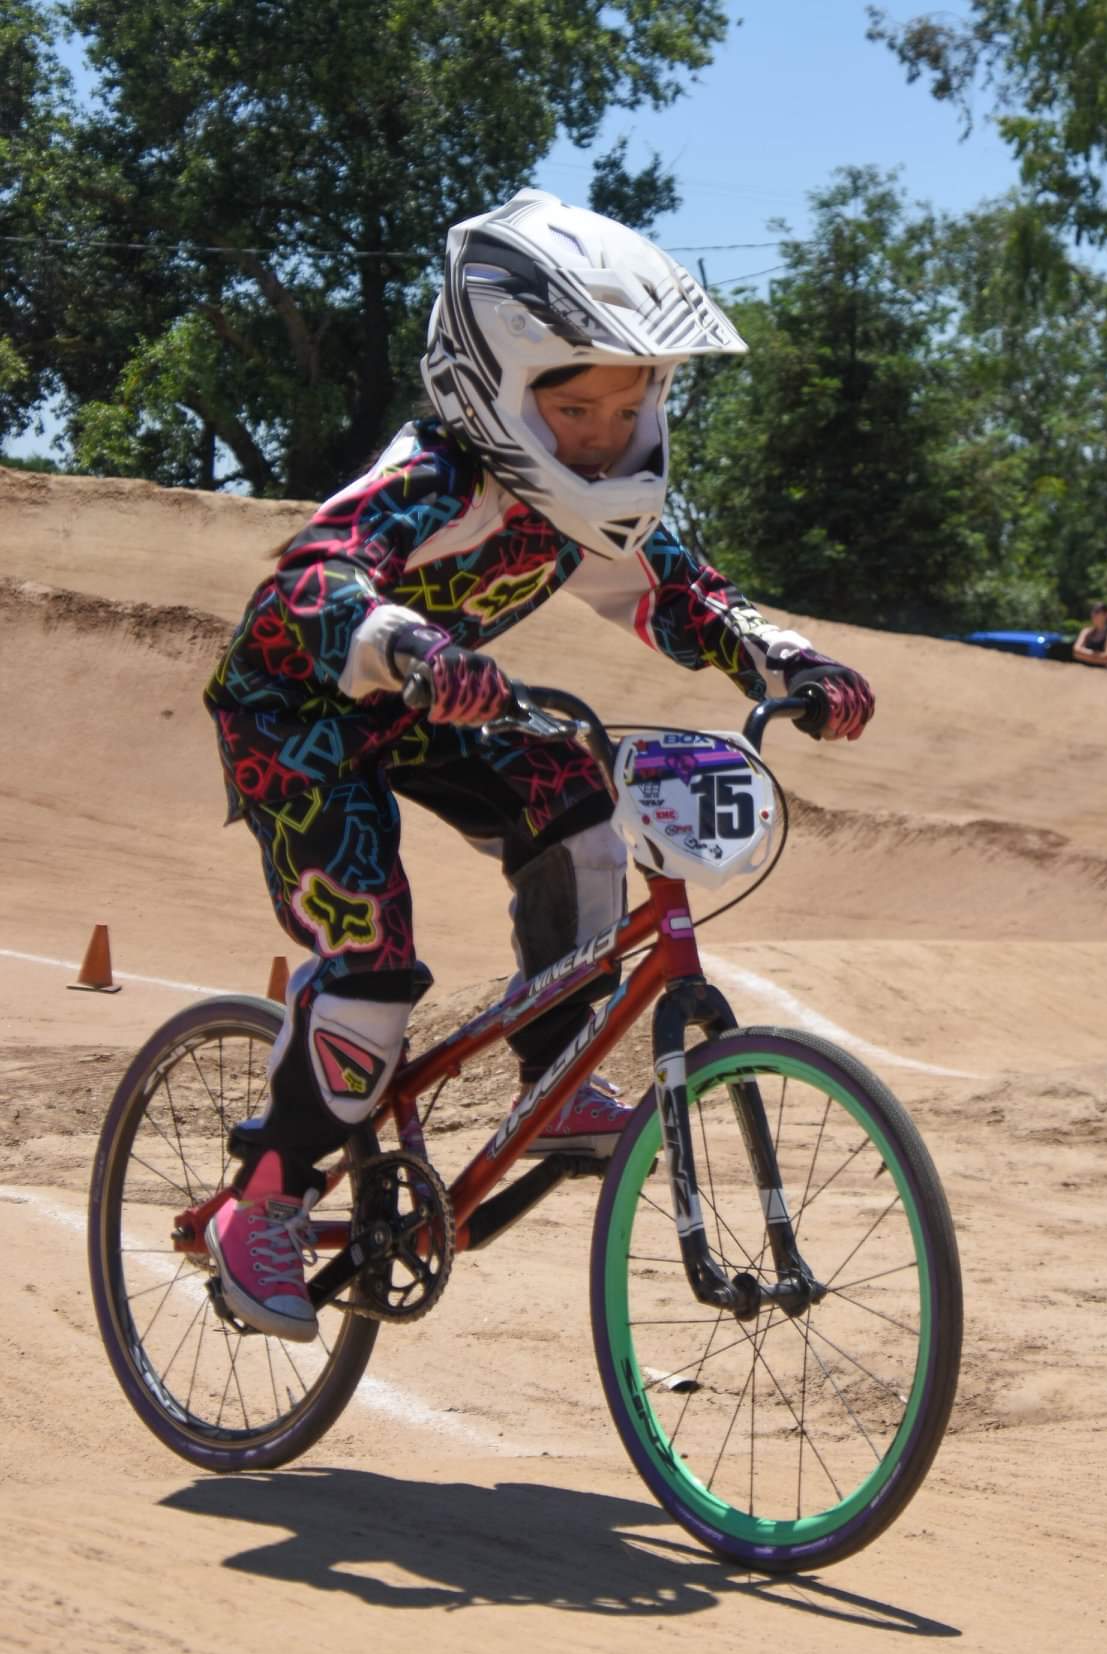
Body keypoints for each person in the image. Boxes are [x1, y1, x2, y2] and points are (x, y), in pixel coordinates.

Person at [202, 188, 875, 1341]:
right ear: (494, 388)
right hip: (296, 715)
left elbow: (683, 596)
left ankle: (556, 1076)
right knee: (371, 975)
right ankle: (260, 1202)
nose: (605, 435)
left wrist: (792, 663)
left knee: (575, 797)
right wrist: (404, 643)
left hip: (424, 702)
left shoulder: (583, 507)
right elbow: (308, 579)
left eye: (630, 405)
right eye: (574, 408)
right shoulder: (435, 479)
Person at [1072, 602, 1107, 667]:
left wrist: (1083, 654)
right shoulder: (1086, 631)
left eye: (1097, 611)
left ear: (1106, 614)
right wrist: (1099, 657)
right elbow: (1076, 651)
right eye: (1092, 611)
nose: (1093, 614)